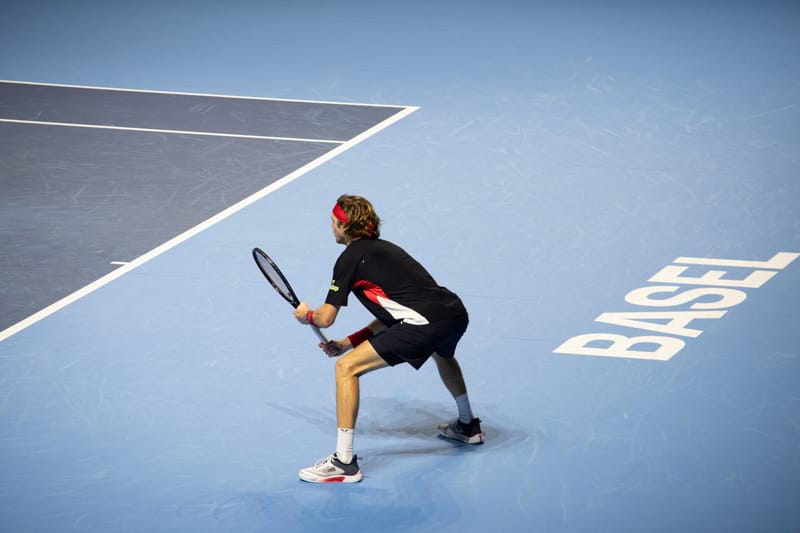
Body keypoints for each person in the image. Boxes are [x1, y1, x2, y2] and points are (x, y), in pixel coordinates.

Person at [292, 194, 484, 483]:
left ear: (344, 226)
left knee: (346, 368)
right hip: (453, 315)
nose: (330, 226)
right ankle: (468, 426)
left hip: (425, 324)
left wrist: (307, 315)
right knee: (442, 354)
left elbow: (326, 317)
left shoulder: (348, 259)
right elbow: (394, 313)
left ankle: (344, 462)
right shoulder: (389, 250)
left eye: (333, 222)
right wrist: (348, 342)